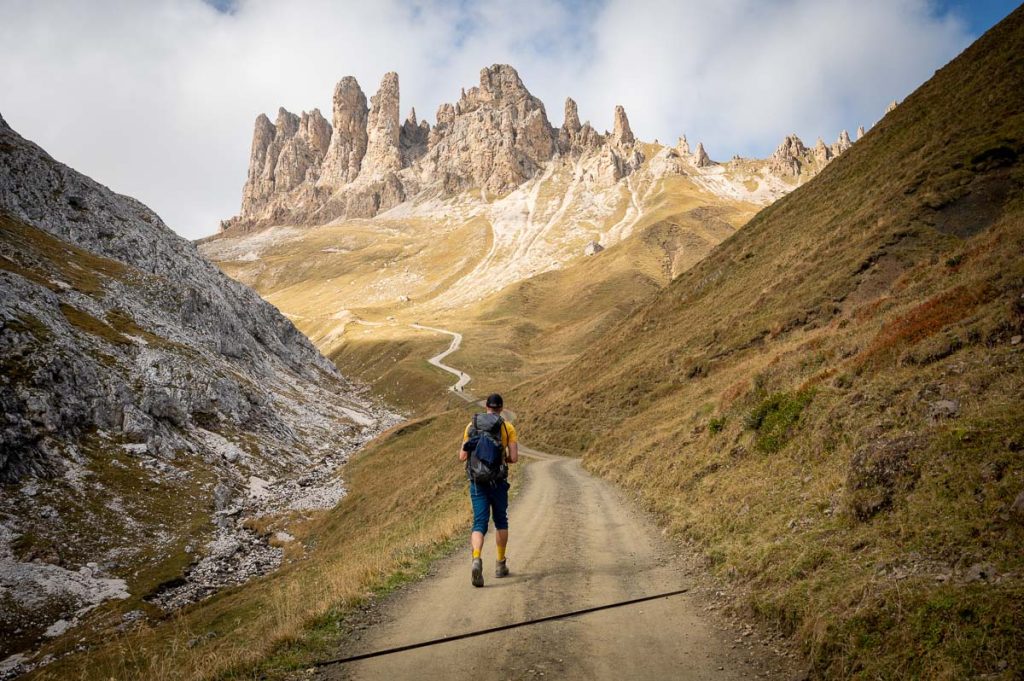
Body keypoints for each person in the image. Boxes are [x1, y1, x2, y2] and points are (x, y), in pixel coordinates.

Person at [459, 393, 518, 587]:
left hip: (477, 483)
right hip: (498, 482)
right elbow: (514, 458)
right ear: (501, 408)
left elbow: (462, 456)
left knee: (479, 523)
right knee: (500, 520)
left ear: (486, 406)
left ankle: (476, 558)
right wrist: (501, 459)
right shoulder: (506, 427)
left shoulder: (471, 426)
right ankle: (500, 564)